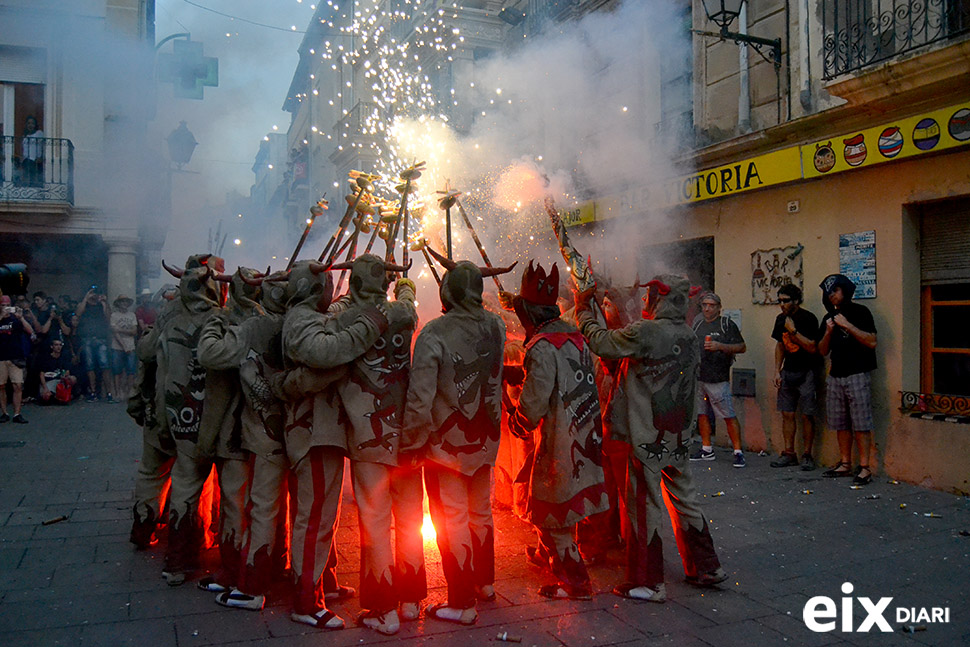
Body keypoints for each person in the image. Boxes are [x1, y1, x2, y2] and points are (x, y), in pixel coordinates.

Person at [576, 275, 727, 603]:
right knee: (685, 499)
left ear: (661, 299)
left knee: (643, 506)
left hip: (645, 436)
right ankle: (706, 566)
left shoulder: (646, 332)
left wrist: (582, 310)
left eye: (650, 296)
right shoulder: (687, 334)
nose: (644, 302)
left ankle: (648, 582)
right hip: (678, 436)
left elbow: (601, 342)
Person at [281, 260, 389, 629]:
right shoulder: (300, 319)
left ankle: (321, 582)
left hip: (323, 431)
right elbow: (326, 353)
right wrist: (370, 325)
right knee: (315, 519)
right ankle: (306, 603)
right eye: (327, 285)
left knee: (323, 515)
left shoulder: (309, 315)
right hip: (312, 432)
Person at [401, 256, 510, 626]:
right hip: (486, 439)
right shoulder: (497, 326)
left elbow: (420, 396)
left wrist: (411, 441)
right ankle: (484, 584)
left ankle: (462, 601)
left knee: (453, 519)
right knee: (481, 512)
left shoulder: (433, 333)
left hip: (447, 447)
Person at [506, 261, 608, 601]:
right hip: (585, 434)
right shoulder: (576, 337)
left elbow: (534, 401)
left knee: (554, 514)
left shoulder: (542, 347)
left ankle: (575, 583)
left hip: (560, 441)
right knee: (565, 511)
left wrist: (517, 422)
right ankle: (563, 572)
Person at [817, 274, 878, 486]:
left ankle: (865, 467)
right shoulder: (828, 318)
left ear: (845, 290)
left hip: (858, 373)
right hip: (836, 375)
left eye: (835, 290)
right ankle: (845, 463)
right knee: (840, 423)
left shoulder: (861, 312)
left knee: (861, 423)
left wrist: (847, 325)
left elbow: (872, 342)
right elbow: (822, 351)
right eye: (828, 293)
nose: (832, 295)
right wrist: (828, 331)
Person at [689, 292, 748, 468]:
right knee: (701, 414)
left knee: (727, 415)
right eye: (704, 305)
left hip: (718, 378)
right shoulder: (698, 324)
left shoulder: (726, 325)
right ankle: (707, 449)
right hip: (699, 376)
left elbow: (742, 347)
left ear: (719, 307)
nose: (707, 308)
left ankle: (738, 451)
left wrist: (720, 346)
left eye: (711, 305)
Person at [769, 284, 819, 470]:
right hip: (788, 370)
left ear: (796, 300)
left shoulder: (808, 318)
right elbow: (780, 345)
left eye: (786, 301)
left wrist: (793, 331)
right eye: (779, 301)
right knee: (787, 413)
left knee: (807, 415)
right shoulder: (780, 319)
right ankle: (789, 452)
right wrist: (777, 370)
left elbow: (812, 347)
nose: (782, 304)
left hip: (807, 370)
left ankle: (807, 454)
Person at [0, 295, 34, 423]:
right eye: (3, 305)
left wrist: (21, 318)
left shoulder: (16, 320)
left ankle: (17, 413)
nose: (5, 308)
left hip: (15, 357)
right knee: (1, 386)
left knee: (18, 385)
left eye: (7, 305)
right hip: (1, 357)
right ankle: (4, 412)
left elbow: (31, 332)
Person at [75, 286, 112, 401]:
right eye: (93, 293)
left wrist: (105, 303)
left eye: (96, 293)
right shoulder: (84, 304)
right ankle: (93, 392)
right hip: (87, 338)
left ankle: (109, 393)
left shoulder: (102, 305)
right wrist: (86, 298)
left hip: (101, 339)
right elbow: (78, 314)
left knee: (105, 366)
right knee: (89, 367)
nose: (95, 295)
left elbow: (109, 318)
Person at [110, 295, 138, 400]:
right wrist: (124, 345)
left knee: (131, 370)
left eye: (126, 301)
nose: (124, 303)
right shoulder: (114, 315)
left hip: (131, 346)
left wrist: (121, 330)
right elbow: (114, 332)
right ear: (118, 303)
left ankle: (129, 392)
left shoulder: (132, 315)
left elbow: (134, 331)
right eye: (122, 301)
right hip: (117, 346)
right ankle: (117, 392)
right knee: (117, 371)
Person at [36, 339, 76, 404]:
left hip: (60, 381)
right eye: (56, 345)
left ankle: (66, 394)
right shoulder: (46, 358)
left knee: (72, 378)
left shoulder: (64, 357)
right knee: (46, 397)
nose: (58, 347)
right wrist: (45, 388)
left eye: (60, 345)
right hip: (49, 381)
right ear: (52, 346)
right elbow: (41, 374)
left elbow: (67, 371)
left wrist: (65, 378)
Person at [20, 116, 44, 186]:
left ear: (35, 125)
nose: (30, 125)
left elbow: (44, 145)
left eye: (32, 123)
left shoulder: (39, 133)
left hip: (35, 160)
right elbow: (23, 149)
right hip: (26, 160)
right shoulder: (25, 136)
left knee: (33, 176)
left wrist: (42, 156)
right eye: (29, 123)